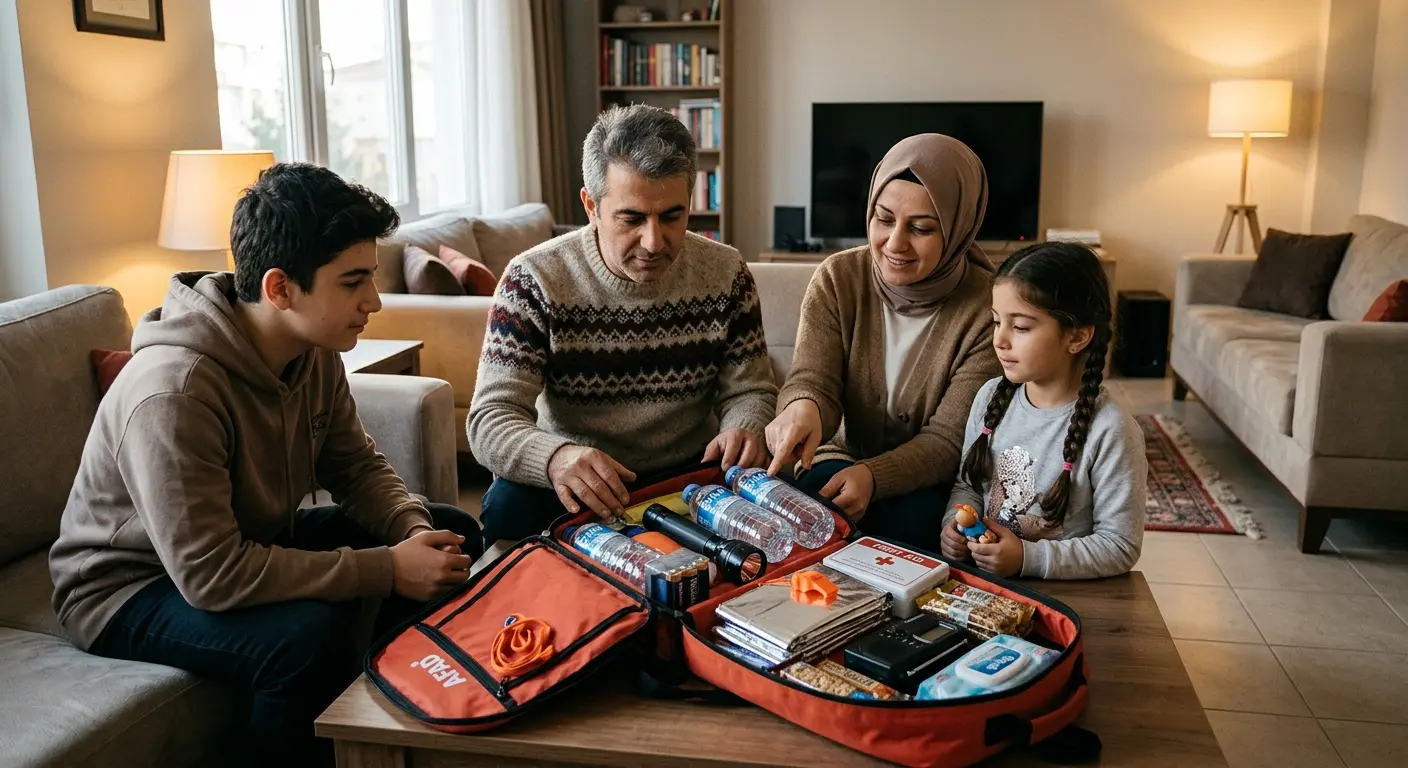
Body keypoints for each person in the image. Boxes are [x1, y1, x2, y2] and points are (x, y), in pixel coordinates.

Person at [49, 163, 483, 763]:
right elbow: (211, 574)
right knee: (305, 640)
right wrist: (386, 568)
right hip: (129, 586)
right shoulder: (174, 393)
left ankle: (391, 731)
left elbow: (355, 467)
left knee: (452, 532)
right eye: (353, 281)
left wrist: (412, 532)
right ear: (281, 289)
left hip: (248, 538)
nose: (374, 301)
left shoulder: (313, 350)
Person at [468, 104, 778, 547]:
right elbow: (489, 420)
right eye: (632, 219)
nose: (654, 242)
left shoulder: (727, 272)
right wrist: (555, 457)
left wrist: (745, 424)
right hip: (579, 476)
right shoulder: (533, 279)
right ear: (591, 206)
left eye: (672, 216)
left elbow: (751, 390)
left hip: (689, 474)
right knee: (505, 509)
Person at [765, 134, 1003, 551]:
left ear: (960, 227)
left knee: (916, 531)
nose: (894, 244)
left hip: (929, 477)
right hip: (839, 458)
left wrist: (875, 476)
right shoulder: (838, 277)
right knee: (805, 516)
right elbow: (813, 380)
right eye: (884, 219)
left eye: (922, 228)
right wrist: (802, 407)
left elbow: (948, 440)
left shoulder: (988, 307)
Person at [940, 242, 1147, 579]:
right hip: (987, 588)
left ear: (1077, 337)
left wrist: (1028, 558)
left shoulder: (1111, 430)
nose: (1000, 340)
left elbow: (1120, 545)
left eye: (1020, 327)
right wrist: (954, 525)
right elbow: (968, 488)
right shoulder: (990, 397)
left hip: (1061, 599)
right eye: (996, 322)